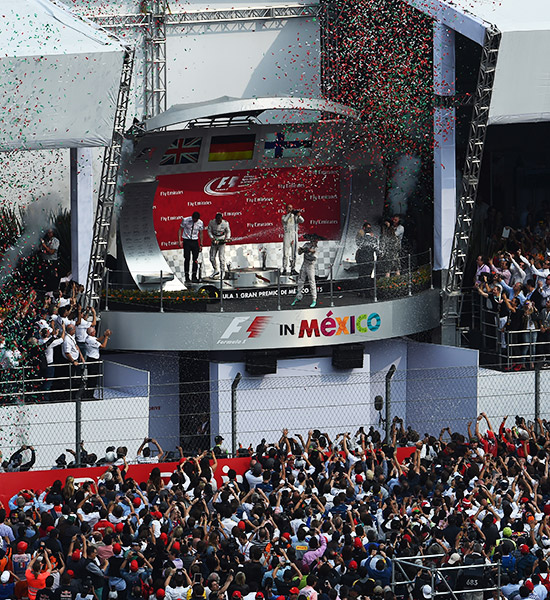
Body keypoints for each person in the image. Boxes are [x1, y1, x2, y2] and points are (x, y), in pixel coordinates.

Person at [83, 327, 111, 400]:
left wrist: (104, 335)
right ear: (92, 333)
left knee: (92, 378)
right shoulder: (91, 340)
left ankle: (89, 394)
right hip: (93, 360)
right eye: (94, 331)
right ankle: (89, 396)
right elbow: (103, 346)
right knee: (93, 379)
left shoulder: (88, 338)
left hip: (90, 359)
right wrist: (106, 337)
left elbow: (97, 339)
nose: (95, 332)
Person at [291, 237, 318, 308]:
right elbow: (299, 253)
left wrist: (307, 250)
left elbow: (313, 254)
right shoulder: (306, 244)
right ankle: (298, 297)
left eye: (315, 241)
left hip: (310, 266)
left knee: (312, 282)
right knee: (300, 281)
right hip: (304, 264)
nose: (314, 242)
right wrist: (301, 250)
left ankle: (314, 299)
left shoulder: (317, 248)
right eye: (312, 240)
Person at [178, 212, 204, 284]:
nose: (194, 220)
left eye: (196, 219)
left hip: (195, 241)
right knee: (187, 258)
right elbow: (180, 229)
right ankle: (187, 276)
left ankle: (194, 276)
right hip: (186, 241)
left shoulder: (200, 223)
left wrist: (201, 244)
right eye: (194, 219)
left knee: (195, 259)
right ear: (192, 217)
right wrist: (180, 241)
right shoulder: (186, 220)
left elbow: (201, 233)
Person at [355, 222, 379, 298]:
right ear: (371, 232)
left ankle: (361, 292)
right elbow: (376, 250)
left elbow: (358, 245)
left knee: (361, 275)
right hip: (369, 260)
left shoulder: (361, 239)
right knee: (368, 276)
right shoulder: (373, 239)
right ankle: (367, 292)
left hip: (361, 259)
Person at [207, 213, 232, 279]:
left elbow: (228, 231)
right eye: (218, 220)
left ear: (221, 219)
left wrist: (227, 238)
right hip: (214, 240)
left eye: (220, 220)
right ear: (216, 219)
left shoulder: (225, 223)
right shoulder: (211, 222)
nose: (219, 222)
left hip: (222, 241)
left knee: (221, 258)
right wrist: (212, 237)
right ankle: (215, 270)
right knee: (212, 257)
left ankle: (222, 272)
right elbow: (209, 230)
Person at [282, 204, 304, 275]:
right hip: (287, 234)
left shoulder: (295, 217)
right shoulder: (284, 216)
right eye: (289, 208)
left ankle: (293, 268)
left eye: (291, 208)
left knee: (294, 253)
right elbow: (285, 221)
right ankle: (284, 268)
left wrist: (298, 215)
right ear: (286, 209)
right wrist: (290, 213)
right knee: (285, 253)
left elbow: (302, 220)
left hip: (294, 234)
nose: (290, 209)